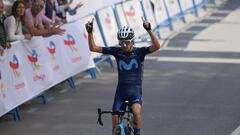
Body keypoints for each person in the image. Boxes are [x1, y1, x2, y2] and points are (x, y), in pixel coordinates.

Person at [85, 17, 160, 135]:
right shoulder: (117, 51)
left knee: (136, 111)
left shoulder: (139, 52)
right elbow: (93, 48)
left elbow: (156, 46)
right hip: (121, 92)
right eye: (121, 42)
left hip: (135, 92)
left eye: (126, 42)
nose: (124, 45)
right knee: (115, 119)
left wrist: (149, 30)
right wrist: (89, 32)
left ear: (132, 41)